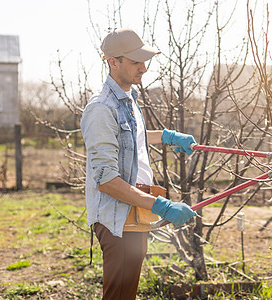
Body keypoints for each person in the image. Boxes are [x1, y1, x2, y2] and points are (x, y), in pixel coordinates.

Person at [80, 28, 197, 300]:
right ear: (113, 61)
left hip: (135, 213)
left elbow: (131, 137)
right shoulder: (101, 109)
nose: (143, 68)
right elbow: (106, 180)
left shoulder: (128, 99)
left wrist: (167, 136)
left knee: (126, 293)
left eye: (145, 61)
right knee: (119, 295)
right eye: (135, 61)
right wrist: (162, 206)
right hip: (119, 218)